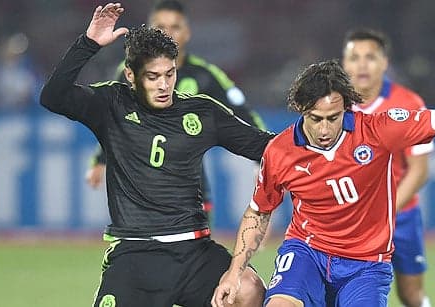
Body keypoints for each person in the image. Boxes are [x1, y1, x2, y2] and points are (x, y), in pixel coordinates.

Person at [212, 60, 435, 307]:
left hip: (366, 263)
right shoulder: (280, 151)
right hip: (307, 252)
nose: (324, 129)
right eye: (315, 119)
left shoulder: (377, 130)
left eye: (333, 118)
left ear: (346, 109)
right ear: (300, 109)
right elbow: (259, 212)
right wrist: (235, 271)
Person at [40, 3, 272, 306]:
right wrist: (89, 43)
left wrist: (324, 136)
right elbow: (52, 96)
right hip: (134, 255)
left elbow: (265, 145)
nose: (164, 86)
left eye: (169, 74)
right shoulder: (111, 103)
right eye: (152, 77)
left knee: (249, 289)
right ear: (131, 76)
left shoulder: (201, 111)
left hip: (194, 253)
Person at [85, 0, 267, 217]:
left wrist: (261, 159)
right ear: (150, 31)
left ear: (187, 33)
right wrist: (100, 160)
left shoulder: (206, 75)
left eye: (175, 27)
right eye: (161, 27)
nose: (168, 34)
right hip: (139, 192)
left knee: (195, 250)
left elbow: (245, 116)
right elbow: (112, 121)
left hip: (191, 193)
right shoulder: (129, 72)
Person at [342, 28, 432, 307]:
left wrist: (385, 211)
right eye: (354, 57)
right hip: (348, 220)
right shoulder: (332, 106)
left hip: (400, 216)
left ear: (384, 63)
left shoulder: (408, 104)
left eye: (370, 57)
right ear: (344, 64)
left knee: (410, 294)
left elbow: (419, 170)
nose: (362, 65)